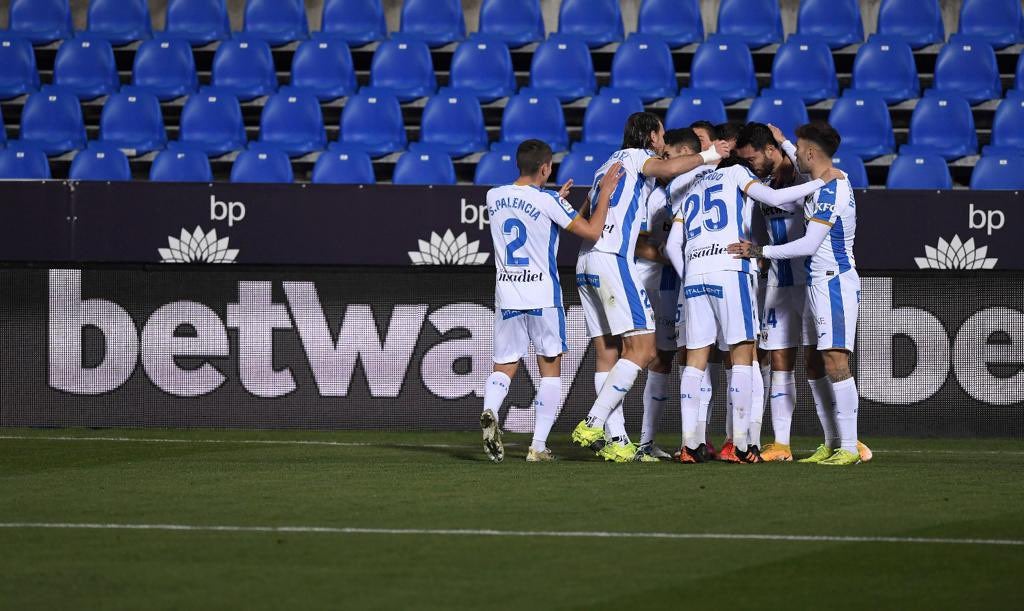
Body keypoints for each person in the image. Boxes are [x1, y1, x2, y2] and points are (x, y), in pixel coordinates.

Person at [571, 112, 730, 463]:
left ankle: (617, 440)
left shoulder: (605, 165)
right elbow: (669, 168)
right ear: (650, 136)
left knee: (607, 352)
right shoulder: (637, 157)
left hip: (585, 259)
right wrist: (709, 154)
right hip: (612, 258)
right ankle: (593, 422)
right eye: (660, 135)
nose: (662, 143)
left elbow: (584, 211)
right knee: (643, 349)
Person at [665, 155, 844, 463]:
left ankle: (689, 445)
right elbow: (773, 198)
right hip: (729, 267)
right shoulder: (737, 172)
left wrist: (691, 273)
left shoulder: (693, 187)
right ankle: (740, 445)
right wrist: (819, 182)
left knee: (695, 360)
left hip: (694, 272)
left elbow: (671, 246)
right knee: (743, 355)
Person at [728, 122, 866, 466]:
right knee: (817, 363)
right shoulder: (818, 184)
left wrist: (759, 251)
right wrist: (786, 141)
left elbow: (808, 244)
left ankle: (849, 446)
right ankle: (832, 442)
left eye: (799, 149)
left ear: (811, 153)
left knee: (835, 360)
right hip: (815, 282)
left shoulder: (832, 189)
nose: (795, 154)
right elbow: (806, 162)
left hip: (833, 282)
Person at [480, 140, 625, 463]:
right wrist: (603, 195)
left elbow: (529, 215)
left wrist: (557, 202)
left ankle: (490, 409)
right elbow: (592, 232)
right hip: (543, 296)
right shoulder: (548, 201)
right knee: (550, 372)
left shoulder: (494, 196)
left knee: (504, 365)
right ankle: (538, 446)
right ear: (546, 168)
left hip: (507, 294)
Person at [633, 128, 706, 460]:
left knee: (695, 357)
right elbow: (637, 244)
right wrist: (670, 255)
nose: (662, 162)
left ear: (687, 154)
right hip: (658, 286)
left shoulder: (704, 190)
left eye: (667, 156)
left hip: (693, 287)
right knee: (657, 358)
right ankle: (643, 441)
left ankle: (695, 440)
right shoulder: (655, 196)